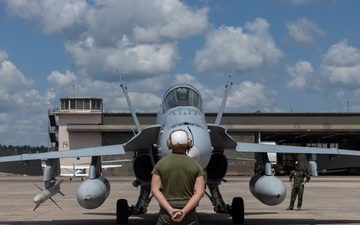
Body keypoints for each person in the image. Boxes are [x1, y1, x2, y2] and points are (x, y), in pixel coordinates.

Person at [151, 129, 205, 225]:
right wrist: (184, 211)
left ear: (169, 143)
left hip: (166, 215)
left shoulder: (160, 164)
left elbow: (154, 190)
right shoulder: (196, 165)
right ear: (189, 143)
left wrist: (170, 209)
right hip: (189, 214)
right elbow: (200, 192)